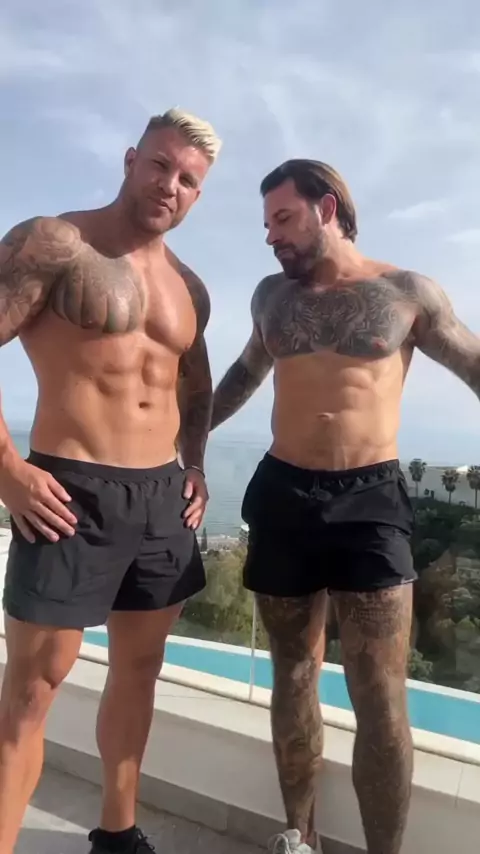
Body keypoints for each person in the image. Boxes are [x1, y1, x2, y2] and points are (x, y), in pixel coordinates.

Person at [210, 158, 480, 854]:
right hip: (284, 492)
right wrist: (182, 439)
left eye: (283, 218)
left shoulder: (406, 293)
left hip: (370, 500)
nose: (271, 236)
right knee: (293, 674)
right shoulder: (271, 297)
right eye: (267, 223)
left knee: (380, 696)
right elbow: (244, 373)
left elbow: (476, 366)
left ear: (326, 208)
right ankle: (299, 836)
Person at [0, 108, 221, 854]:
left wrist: (195, 462)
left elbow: (195, 383)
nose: (169, 185)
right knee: (33, 689)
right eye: (160, 164)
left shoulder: (189, 286)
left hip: (160, 498)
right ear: (131, 160)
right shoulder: (54, 243)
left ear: (197, 195)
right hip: (69, 492)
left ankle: (118, 835)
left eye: (187, 179)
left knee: (140, 670)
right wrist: (8, 471)